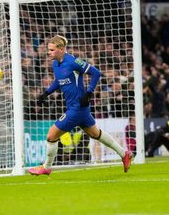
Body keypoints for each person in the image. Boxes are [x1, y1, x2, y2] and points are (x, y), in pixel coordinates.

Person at [28, 35, 133, 175]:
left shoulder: (73, 61)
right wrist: (46, 93)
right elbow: (59, 81)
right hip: (78, 109)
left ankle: (46, 167)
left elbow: (96, 73)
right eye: (48, 50)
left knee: (51, 136)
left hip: (77, 108)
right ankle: (124, 154)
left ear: (61, 49)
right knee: (96, 134)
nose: (49, 52)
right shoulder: (55, 64)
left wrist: (89, 93)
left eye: (52, 50)